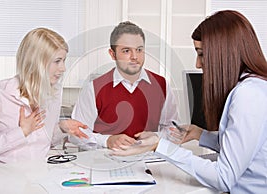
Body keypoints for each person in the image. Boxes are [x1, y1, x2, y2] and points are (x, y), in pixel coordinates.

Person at [112, 10, 267, 193]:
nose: (198, 64)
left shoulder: (248, 95)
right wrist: (199, 134)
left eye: (201, 54)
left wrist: (159, 146)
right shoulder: (254, 87)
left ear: (223, 53)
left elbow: (223, 177)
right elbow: (244, 147)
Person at [0, 27, 87, 165]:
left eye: (64, 60)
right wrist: (21, 132)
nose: (63, 68)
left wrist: (61, 128)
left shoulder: (54, 91)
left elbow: (41, 141)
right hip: (6, 179)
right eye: (57, 61)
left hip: (42, 175)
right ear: (36, 62)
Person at [70, 21, 179, 149]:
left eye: (139, 50)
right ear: (112, 54)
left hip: (149, 161)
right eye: (126, 51)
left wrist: (156, 137)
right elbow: (75, 134)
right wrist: (107, 141)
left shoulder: (161, 85)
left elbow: (174, 131)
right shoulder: (94, 88)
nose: (134, 57)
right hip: (106, 162)